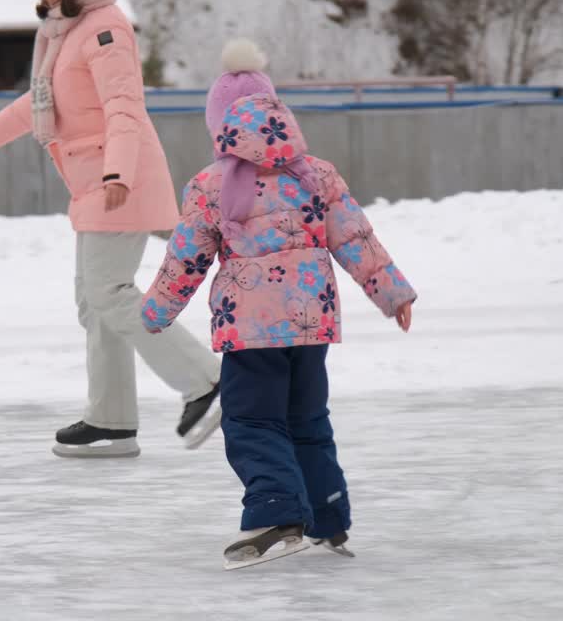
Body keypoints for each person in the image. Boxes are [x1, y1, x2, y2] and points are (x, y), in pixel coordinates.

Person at [0, 0, 220, 459]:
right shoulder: (66, 31)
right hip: (95, 181)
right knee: (94, 304)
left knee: (109, 294)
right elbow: (41, 103)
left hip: (118, 180)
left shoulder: (105, 28)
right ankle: (113, 420)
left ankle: (209, 382)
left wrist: (118, 171)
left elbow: (124, 106)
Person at [139, 39, 417, 567]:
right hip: (312, 326)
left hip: (251, 331)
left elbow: (185, 258)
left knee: (252, 421)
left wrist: (156, 310)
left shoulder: (210, 184)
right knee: (308, 419)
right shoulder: (316, 174)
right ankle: (327, 516)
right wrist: (392, 292)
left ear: (221, 126)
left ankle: (275, 512)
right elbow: (355, 238)